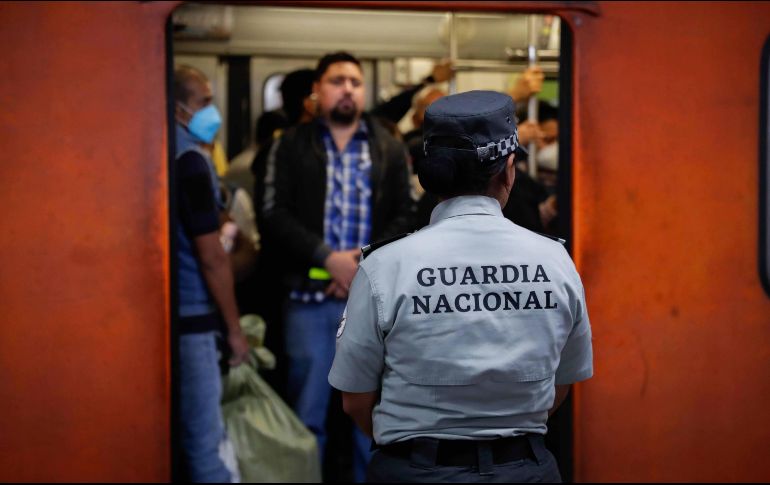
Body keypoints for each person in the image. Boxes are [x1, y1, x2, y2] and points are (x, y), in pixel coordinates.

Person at [328, 90, 593, 483]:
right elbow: (562, 386)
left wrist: (407, 448)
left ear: (430, 175)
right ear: (509, 169)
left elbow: (355, 401)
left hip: (415, 471)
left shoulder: (384, 266)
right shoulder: (556, 263)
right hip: (525, 470)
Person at [260, 51, 413, 482]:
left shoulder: (388, 146)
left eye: (355, 82)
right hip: (309, 298)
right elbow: (273, 213)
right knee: (307, 415)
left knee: (372, 418)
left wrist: (361, 261)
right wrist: (327, 260)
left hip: (373, 303)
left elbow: (407, 214)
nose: (347, 88)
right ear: (317, 91)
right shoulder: (288, 145)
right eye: (337, 80)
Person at [173, 65, 250, 483]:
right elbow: (211, 257)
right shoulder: (190, 160)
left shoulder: (162, 148)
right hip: (195, 315)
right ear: (180, 108)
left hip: (175, 313)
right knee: (206, 443)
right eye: (204, 102)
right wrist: (235, 330)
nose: (212, 112)